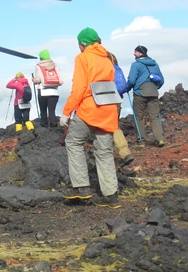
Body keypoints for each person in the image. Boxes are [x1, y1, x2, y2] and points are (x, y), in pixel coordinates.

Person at [61, 28, 120, 208]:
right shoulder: (107, 58)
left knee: (73, 142)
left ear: (83, 43)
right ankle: (111, 197)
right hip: (109, 109)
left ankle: (82, 189)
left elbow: (79, 88)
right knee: (104, 151)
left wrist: (66, 112)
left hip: (90, 109)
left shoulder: (83, 58)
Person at [127, 45, 166, 147]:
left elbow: (131, 80)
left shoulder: (136, 65)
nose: (134, 54)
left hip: (140, 93)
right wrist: (155, 87)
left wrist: (127, 88)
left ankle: (142, 140)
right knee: (155, 117)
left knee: (138, 117)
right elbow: (161, 80)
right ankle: (160, 139)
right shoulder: (155, 64)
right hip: (153, 93)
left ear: (139, 53)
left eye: (135, 52)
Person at [108, 52, 135, 166]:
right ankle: (125, 152)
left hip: (102, 99)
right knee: (114, 126)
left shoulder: (98, 63)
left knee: (101, 128)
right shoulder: (114, 62)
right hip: (116, 99)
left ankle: (106, 156)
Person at [31, 50, 61, 127]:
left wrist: (34, 80)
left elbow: (38, 80)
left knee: (43, 110)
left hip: (43, 91)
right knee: (52, 110)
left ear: (41, 58)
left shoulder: (39, 66)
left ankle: (44, 125)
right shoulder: (55, 65)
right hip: (54, 92)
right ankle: (53, 125)